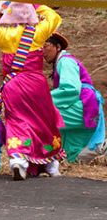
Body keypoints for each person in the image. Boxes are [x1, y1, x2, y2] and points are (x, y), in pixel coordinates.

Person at [0, 0, 64, 180]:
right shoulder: (38, 32)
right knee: (43, 121)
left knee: (17, 121)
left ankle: (18, 159)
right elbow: (54, 17)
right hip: (36, 84)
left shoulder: (4, 35)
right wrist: (37, 5)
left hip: (13, 85)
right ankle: (50, 164)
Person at [43, 33, 105, 163]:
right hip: (86, 104)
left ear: (58, 47)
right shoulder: (62, 61)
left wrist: (43, 100)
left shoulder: (65, 61)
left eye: (46, 46)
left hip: (84, 103)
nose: (43, 52)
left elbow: (70, 89)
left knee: (42, 118)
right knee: (73, 156)